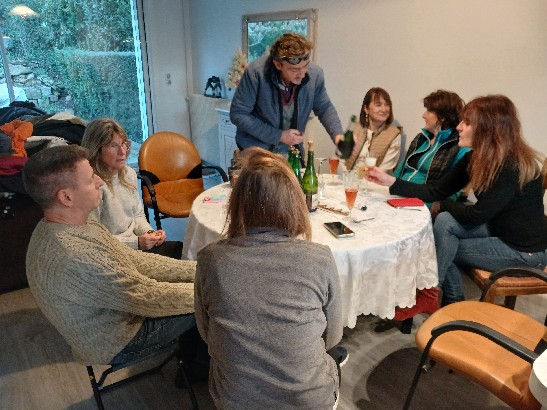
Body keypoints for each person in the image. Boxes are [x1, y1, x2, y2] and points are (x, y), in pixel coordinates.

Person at [22, 145, 203, 376]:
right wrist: (212, 287)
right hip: (118, 341)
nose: (100, 182)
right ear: (66, 197)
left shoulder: (72, 224)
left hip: (120, 311)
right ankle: (196, 369)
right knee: (216, 302)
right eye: (90, 179)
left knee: (203, 285)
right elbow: (147, 295)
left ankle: (194, 360)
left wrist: (201, 270)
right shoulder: (74, 256)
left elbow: (135, 260)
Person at [194, 147, 346, 409]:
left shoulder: (210, 259)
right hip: (308, 401)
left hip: (235, 400)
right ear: (294, 202)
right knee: (331, 359)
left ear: (236, 203)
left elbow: (206, 332)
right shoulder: (320, 258)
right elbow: (332, 337)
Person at [368, 95, 547, 309]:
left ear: (488, 129)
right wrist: (390, 181)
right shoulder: (476, 157)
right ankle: (447, 299)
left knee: (442, 245)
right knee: (445, 223)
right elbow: (436, 190)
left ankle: (435, 294)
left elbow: (475, 215)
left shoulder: (511, 166)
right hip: (498, 229)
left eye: (467, 123)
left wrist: (443, 204)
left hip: (524, 251)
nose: (459, 127)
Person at [81, 118, 183, 259]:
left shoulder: (129, 174)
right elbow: (94, 239)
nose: (122, 152)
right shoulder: (92, 186)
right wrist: (136, 243)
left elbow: (137, 215)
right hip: (113, 254)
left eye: (123, 144)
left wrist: (149, 233)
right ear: (96, 150)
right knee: (181, 261)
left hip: (135, 245)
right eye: (113, 146)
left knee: (182, 250)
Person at [230, 32, 344, 155]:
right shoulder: (255, 73)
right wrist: (279, 136)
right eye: (294, 69)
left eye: (306, 66)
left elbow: (324, 107)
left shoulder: (315, 74)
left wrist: (338, 136)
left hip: (292, 151)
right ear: (278, 65)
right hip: (257, 152)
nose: (302, 74)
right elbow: (238, 114)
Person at [393, 89, 469, 204]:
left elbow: (454, 190)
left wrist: (436, 206)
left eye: (428, 111)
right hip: (399, 196)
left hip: (423, 203)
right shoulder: (421, 138)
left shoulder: (459, 146)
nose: (423, 115)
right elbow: (402, 168)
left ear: (442, 117)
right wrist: (390, 188)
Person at [345, 87, 401, 174]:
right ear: (366, 109)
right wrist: (346, 176)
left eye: (387, 105)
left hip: (375, 180)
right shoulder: (356, 128)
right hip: (348, 178)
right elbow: (341, 158)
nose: (384, 109)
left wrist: (358, 174)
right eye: (378, 105)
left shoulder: (394, 134)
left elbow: (384, 170)